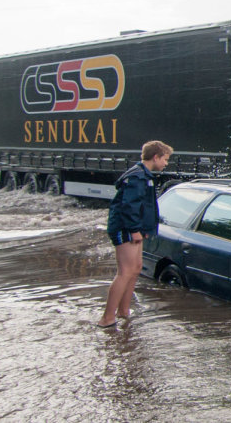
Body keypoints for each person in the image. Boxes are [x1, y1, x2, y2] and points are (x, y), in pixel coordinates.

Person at [97, 140, 173, 328]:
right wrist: (134, 230)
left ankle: (124, 311)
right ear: (155, 157)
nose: (166, 163)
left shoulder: (144, 175)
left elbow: (143, 207)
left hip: (135, 229)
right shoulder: (137, 177)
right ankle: (107, 318)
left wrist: (143, 229)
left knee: (136, 268)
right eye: (165, 159)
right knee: (125, 272)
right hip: (125, 229)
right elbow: (129, 206)